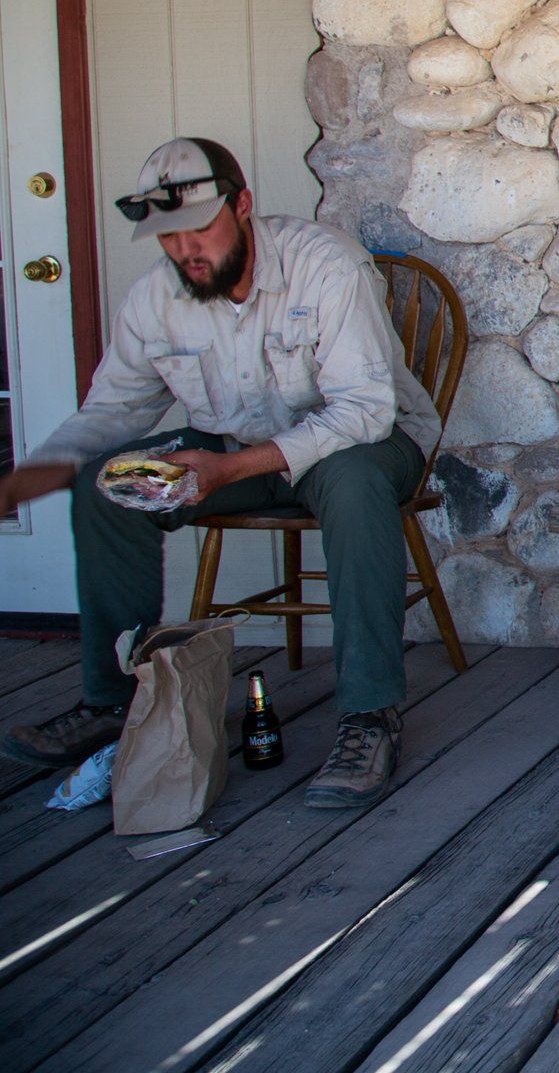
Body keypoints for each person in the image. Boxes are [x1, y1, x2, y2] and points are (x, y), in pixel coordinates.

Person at [0, 138, 441, 808]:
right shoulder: (156, 297)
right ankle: (111, 700)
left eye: (198, 228)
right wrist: (35, 475)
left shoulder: (326, 265)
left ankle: (368, 715)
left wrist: (226, 467)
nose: (185, 250)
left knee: (352, 485)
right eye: (167, 237)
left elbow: (364, 411)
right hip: (235, 449)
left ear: (243, 206)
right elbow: (114, 408)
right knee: (106, 483)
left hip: (361, 446)